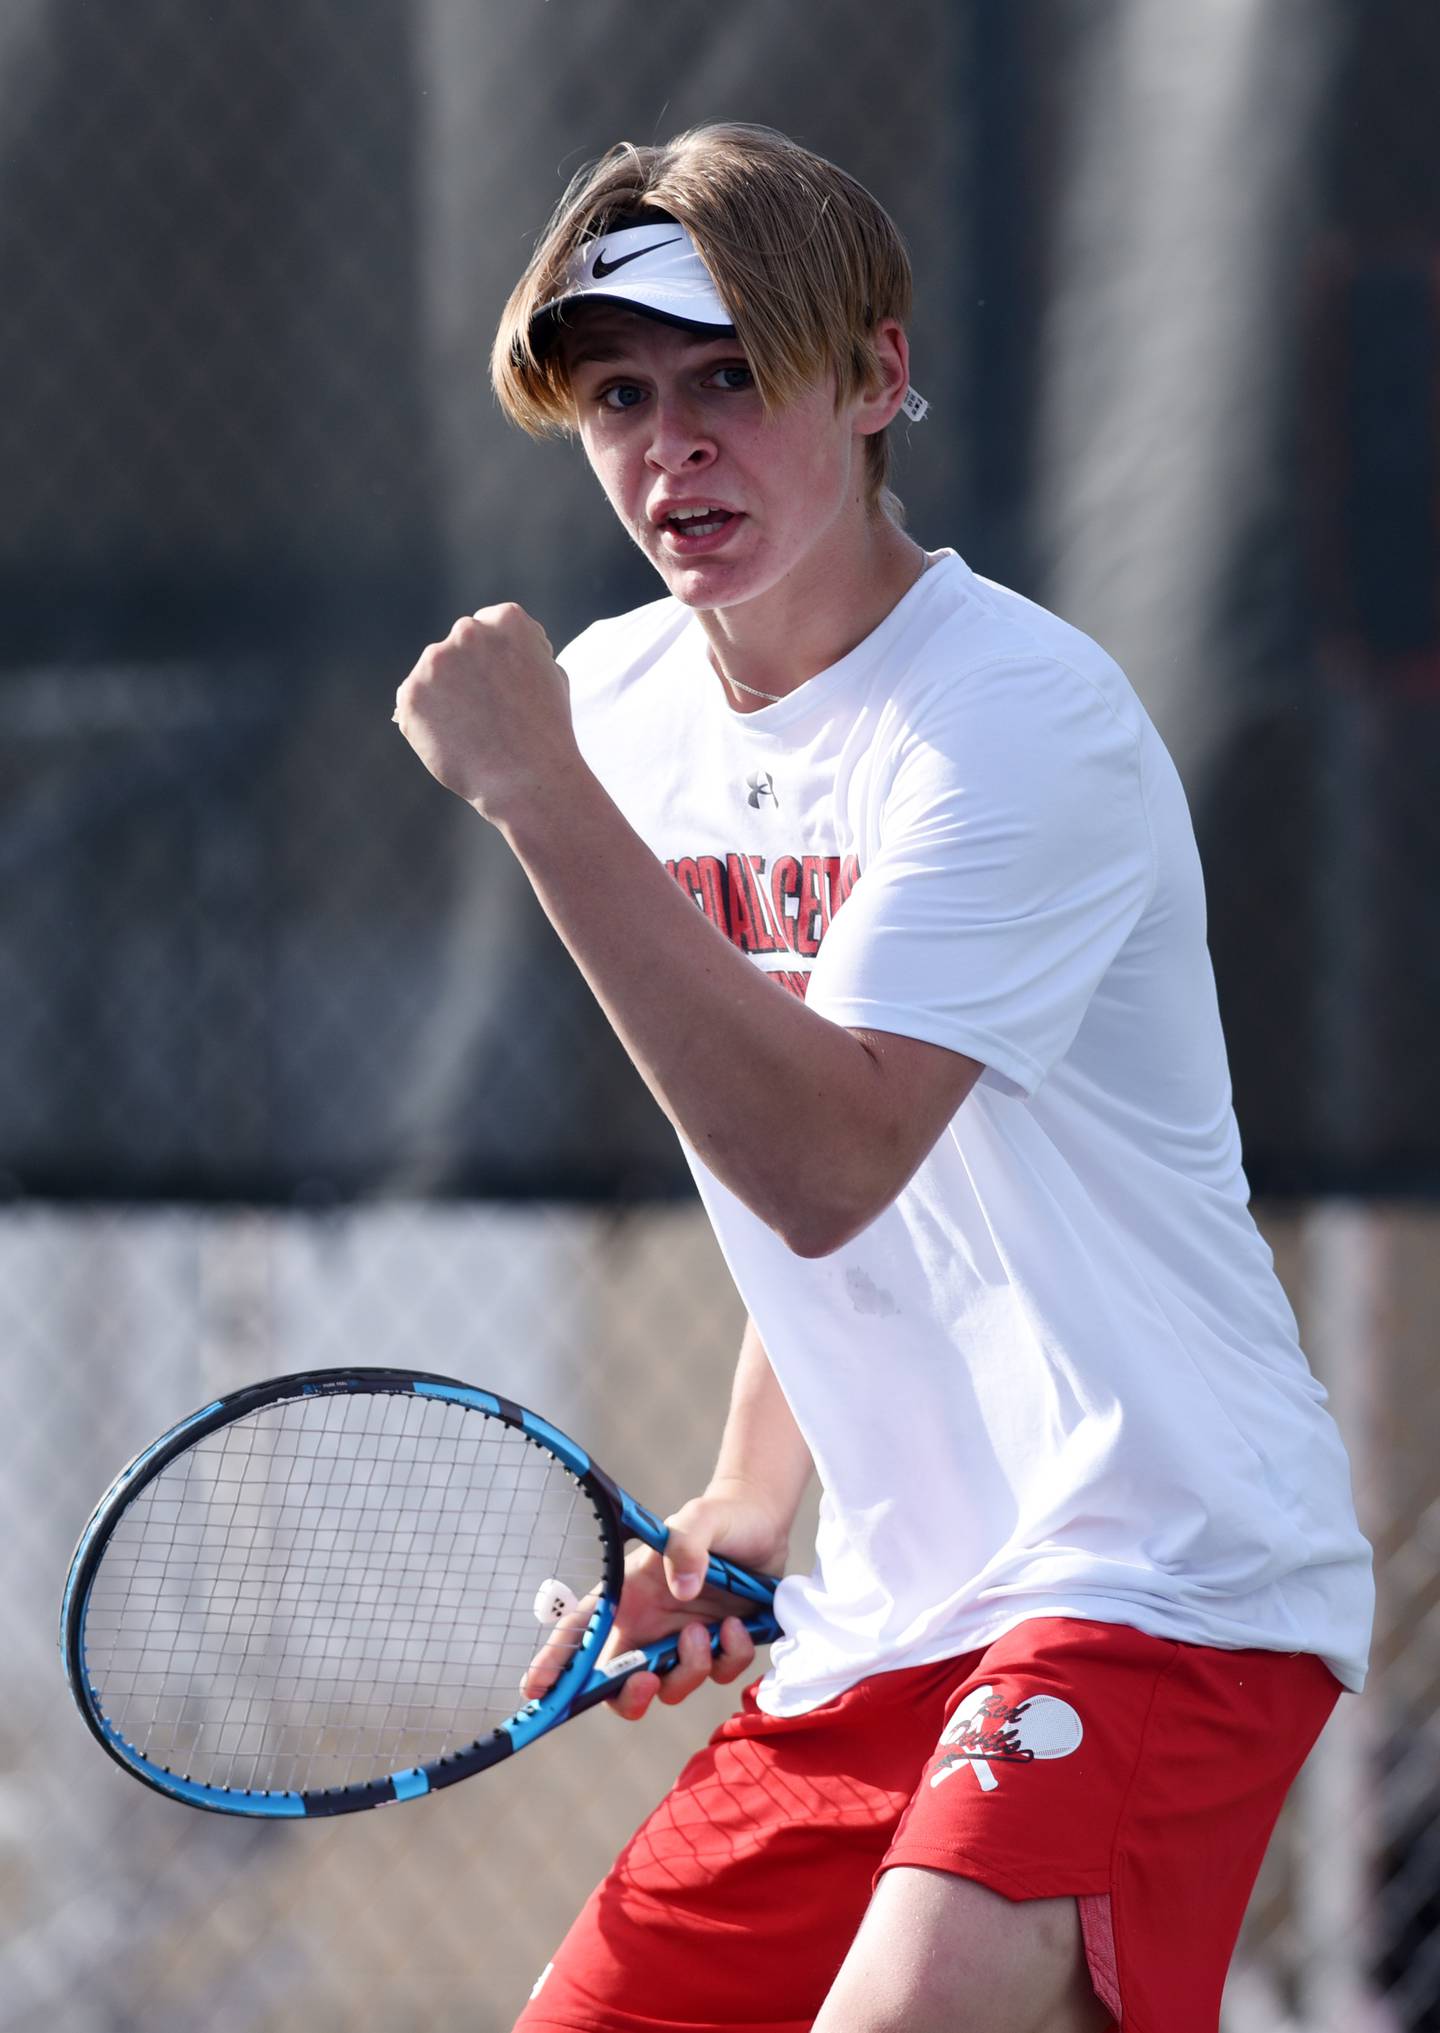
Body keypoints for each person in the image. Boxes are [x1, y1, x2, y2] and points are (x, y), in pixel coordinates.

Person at [394, 122, 1373, 2033]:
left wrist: (540, 803)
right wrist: (752, 1502)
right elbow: (841, 1188)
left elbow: (835, 1152)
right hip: (891, 1621)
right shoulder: (627, 709)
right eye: (620, 395)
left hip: (1161, 1568)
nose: (673, 443)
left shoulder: (1017, 723)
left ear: (875, 376)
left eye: (735, 374)